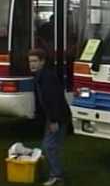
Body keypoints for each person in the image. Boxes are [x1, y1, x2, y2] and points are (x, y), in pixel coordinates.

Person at [28, 48, 70, 186]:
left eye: (35, 61)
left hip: (58, 116)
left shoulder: (47, 78)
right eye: (30, 61)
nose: (32, 64)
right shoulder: (40, 76)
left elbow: (54, 100)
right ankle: (54, 173)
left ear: (42, 62)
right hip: (53, 116)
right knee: (49, 146)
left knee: (49, 146)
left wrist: (54, 121)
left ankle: (57, 176)